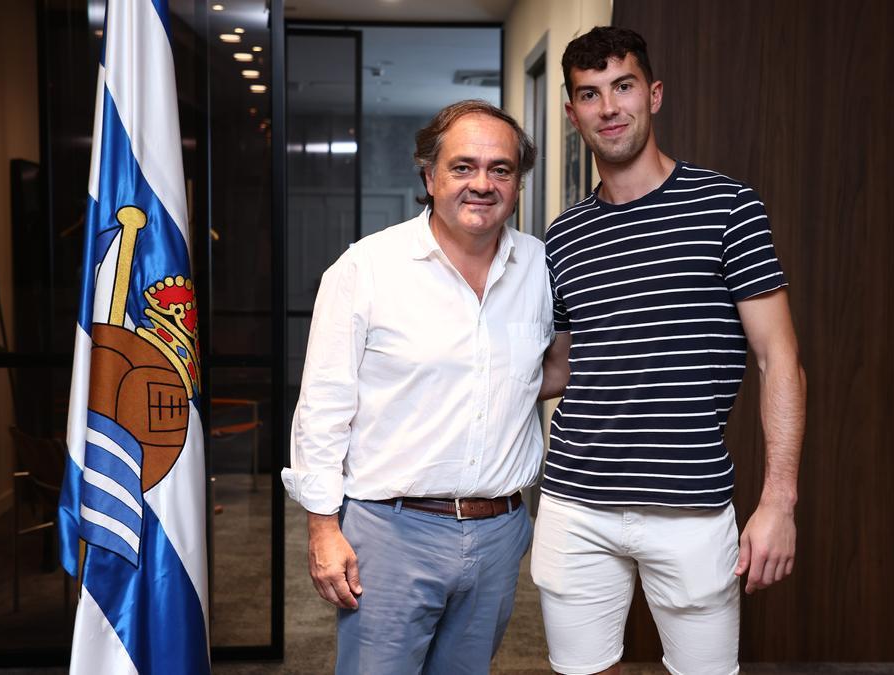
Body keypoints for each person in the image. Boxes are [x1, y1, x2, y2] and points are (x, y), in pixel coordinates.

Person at [533, 26, 807, 675]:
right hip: (575, 502)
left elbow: (779, 360)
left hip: (690, 503)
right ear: (572, 114)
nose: (609, 107)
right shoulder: (564, 235)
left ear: (653, 94)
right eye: (590, 94)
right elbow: (563, 365)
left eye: (623, 86)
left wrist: (778, 501)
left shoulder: (728, 208)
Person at [281, 99, 552, 675]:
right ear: (429, 177)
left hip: (500, 532)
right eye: (463, 167)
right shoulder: (366, 269)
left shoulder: (540, 268)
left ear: (518, 183)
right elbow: (323, 408)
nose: (482, 183)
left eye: (500, 169)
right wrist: (323, 527)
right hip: (390, 533)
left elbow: (544, 369)